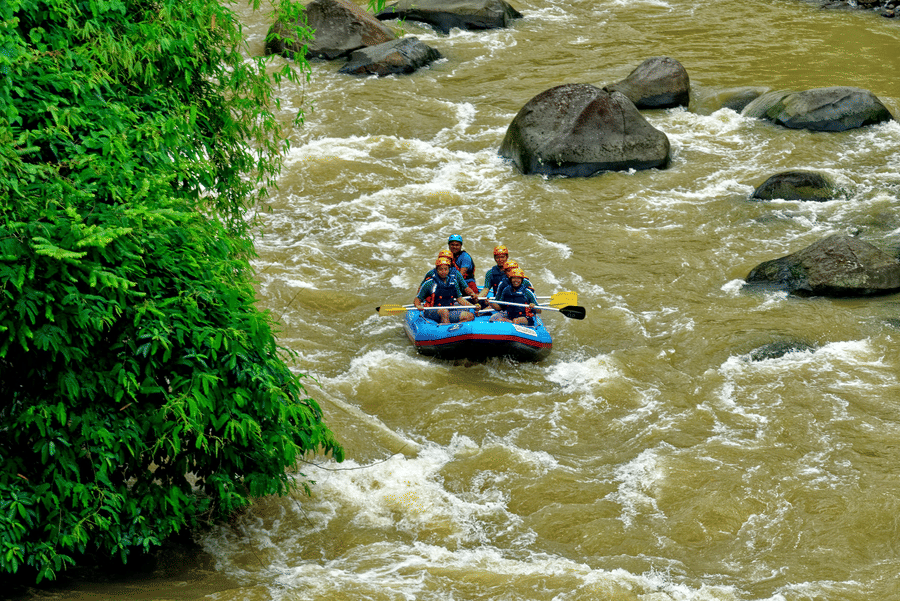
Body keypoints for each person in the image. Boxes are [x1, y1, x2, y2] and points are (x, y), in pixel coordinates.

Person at [414, 257, 475, 324]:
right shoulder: (429, 283)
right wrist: (418, 305)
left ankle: (454, 328)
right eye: (441, 269)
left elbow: (460, 299)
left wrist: (473, 306)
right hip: (432, 311)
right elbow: (417, 299)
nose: (443, 272)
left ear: (449, 270)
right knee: (444, 312)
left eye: (445, 269)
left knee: (470, 316)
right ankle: (446, 329)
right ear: (436, 270)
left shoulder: (453, 282)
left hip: (449, 310)